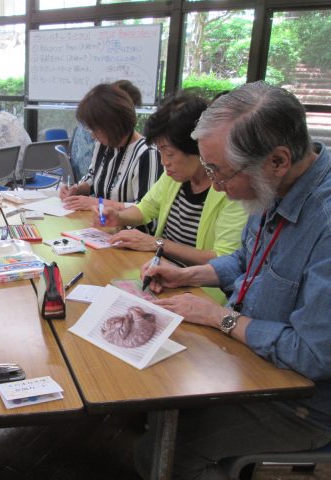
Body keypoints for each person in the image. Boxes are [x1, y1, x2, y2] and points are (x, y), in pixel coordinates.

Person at [133, 82, 331, 479]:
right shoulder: (274, 185)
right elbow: (246, 258)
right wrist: (186, 274)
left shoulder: (323, 222)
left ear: (277, 160)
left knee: (163, 452)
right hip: (250, 361)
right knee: (153, 397)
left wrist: (218, 317)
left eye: (219, 172)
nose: (216, 186)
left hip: (302, 401)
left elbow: (313, 355)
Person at [98, 93, 248, 268]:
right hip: (160, 269)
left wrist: (158, 244)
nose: (164, 162)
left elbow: (223, 258)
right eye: (160, 152)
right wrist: (119, 217)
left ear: (197, 147)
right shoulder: (175, 177)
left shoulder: (231, 190)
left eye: (169, 154)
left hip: (195, 281)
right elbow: (145, 209)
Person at [59, 83, 162, 216]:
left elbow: (147, 211)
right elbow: (93, 177)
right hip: (100, 223)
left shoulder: (147, 154)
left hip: (127, 228)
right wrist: (77, 189)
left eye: (96, 129)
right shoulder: (104, 145)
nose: (92, 135)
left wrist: (98, 203)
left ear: (113, 126)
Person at [69, 79, 145, 182]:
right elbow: (93, 175)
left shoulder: (144, 153)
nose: (93, 135)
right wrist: (80, 187)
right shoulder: (102, 138)